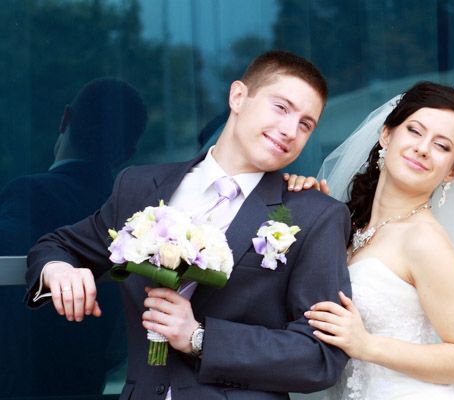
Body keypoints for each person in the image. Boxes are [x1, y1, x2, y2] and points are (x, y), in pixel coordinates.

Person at [24, 50, 352, 399]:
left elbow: (320, 354)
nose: (290, 130)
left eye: (305, 124)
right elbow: (58, 245)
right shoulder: (138, 187)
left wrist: (199, 338)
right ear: (238, 96)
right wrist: (58, 269)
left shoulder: (314, 214)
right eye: (281, 107)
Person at [285, 81, 454, 399]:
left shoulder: (424, 241)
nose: (422, 148)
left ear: (452, 171)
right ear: (387, 134)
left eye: (442, 146)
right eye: (415, 131)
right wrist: (308, 212)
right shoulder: (351, 224)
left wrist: (367, 344)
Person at [0, 77, 145, 396]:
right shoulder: (133, 213)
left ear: (65, 118)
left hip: (27, 383)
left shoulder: (30, 195)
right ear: (127, 153)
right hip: (89, 382)